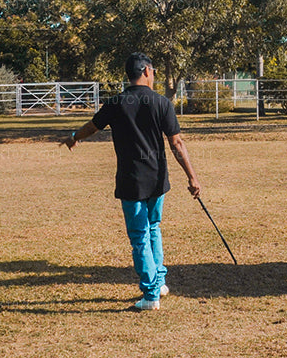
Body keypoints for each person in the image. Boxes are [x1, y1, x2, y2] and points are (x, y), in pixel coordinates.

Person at [60, 53, 201, 311]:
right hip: (157, 179)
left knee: (140, 236)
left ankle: (151, 293)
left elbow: (92, 126)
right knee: (153, 229)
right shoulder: (161, 103)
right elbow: (177, 143)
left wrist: (74, 137)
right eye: (153, 71)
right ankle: (158, 283)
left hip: (131, 181)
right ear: (146, 71)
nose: (154, 75)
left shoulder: (116, 103)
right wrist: (192, 177)